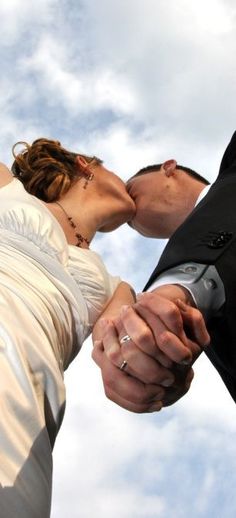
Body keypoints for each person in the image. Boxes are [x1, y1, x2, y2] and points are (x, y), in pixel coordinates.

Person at [93, 132, 236, 410]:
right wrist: (158, 372)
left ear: (168, 167)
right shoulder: (202, 329)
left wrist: (177, 291)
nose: (125, 202)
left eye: (130, 188)